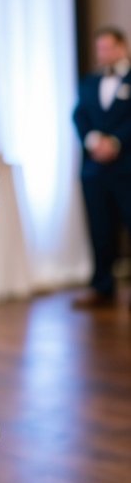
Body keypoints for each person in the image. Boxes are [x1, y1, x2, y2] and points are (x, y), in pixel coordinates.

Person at [71, 25, 131, 309]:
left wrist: (117, 141)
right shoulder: (89, 82)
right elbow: (80, 115)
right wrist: (94, 140)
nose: (103, 54)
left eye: (108, 48)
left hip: (127, 167)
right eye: (100, 49)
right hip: (95, 170)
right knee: (100, 229)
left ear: (122, 47)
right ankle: (102, 287)